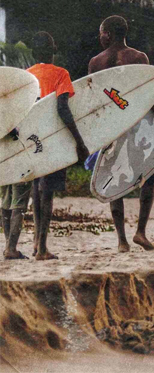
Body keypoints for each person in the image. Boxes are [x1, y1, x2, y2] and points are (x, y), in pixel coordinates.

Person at [88, 15, 154, 252]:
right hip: (139, 127)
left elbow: (96, 102)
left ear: (108, 33)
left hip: (113, 128)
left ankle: (121, 240)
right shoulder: (139, 58)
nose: (100, 36)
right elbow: (151, 98)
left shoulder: (95, 63)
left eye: (101, 32)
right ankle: (140, 232)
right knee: (148, 177)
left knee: (112, 179)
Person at [1, 31, 89, 260]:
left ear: (32, 53)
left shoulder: (26, 76)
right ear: (54, 49)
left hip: (30, 143)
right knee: (46, 194)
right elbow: (62, 108)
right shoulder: (61, 74)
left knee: (33, 191)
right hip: (52, 142)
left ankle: (29, 245)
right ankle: (41, 247)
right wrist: (79, 141)